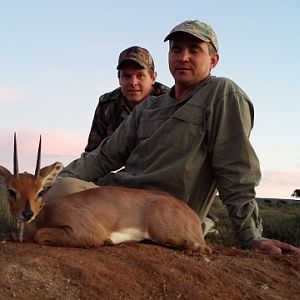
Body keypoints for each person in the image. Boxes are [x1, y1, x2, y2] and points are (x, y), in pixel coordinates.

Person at [58, 20, 300, 255]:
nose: (183, 57)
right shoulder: (149, 106)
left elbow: (235, 171)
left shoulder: (222, 94)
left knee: (63, 204)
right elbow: (103, 156)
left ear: (213, 60)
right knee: (61, 191)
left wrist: (251, 237)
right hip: (118, 200)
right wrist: (50, 183)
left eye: (194, 50)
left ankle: (193, 227)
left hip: (163, 212)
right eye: (176, 49)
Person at [84, 46, 169, 153]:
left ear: (153, 78)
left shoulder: (169, 101)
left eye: (140, 75)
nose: (133, 82)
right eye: (127, 76)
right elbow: (92, 152)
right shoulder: (106, 105)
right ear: (119, 78)